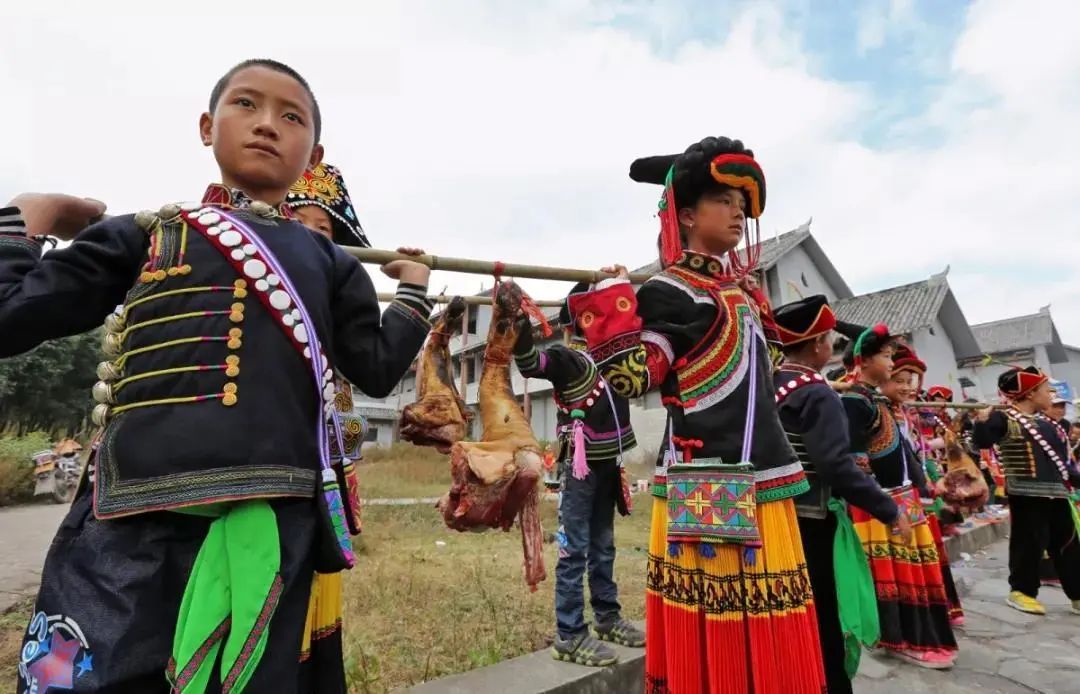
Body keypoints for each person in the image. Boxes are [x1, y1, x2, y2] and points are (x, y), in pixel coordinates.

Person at [2, 59, 435, 692]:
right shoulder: (146, 234)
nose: (267, 125)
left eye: (291, 117)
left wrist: (414, 295)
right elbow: (12, 316)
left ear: (311, 151)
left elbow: (375, 367)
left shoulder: (329, 262)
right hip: (132, 516)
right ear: (208, 127)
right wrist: (27, 216)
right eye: (246, 105)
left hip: (273, 515)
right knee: (89, 679)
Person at [569, 137, 826, 693]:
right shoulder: (669, 290)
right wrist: (611, 305)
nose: (737, 210)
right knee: (717, 636)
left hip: (767, 481)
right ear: (686, 215)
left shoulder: (742, 293)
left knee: (770, 628)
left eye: (741, 200)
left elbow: (769, 370)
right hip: (707, 486)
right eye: (721, 199)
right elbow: (639, 377)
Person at [772, 295, 906, 694]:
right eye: (829, 337)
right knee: (825, 615)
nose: (833, 344)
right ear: (817, 345)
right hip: (814, 520)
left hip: (777, 516)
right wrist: (886, 508)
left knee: (791, 610)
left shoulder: (772, 384)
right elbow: (834, 464)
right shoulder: (817, 393)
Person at [513, 282, 643, 666]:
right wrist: (521, 324)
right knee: (575, 549)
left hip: (607, 463)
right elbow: (529, 363)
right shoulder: (569, 358)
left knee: (604, 546)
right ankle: (569, 634)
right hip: (580, 466)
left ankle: (607, 617)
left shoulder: (616, 358)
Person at [286, 161, 375, 693]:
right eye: (302, 225)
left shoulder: (335, 307)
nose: (314, 242)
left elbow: (351, 422)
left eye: (325, 233)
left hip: (317, 482)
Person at [840, 326, 958, 669]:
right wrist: (882, 503)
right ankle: (901, 638)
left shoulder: (872, 399)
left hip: (898, 497)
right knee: (894, 576)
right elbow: (855, 462)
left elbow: (901, 453)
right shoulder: (853, 401)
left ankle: (918, 635)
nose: (893, 364)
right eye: (888, 356)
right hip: (878, 503)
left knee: (913, 571)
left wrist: (918, 487)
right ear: (863, 359)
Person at [974, 367, 1080, 615]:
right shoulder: (1004, 419)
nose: (1050, 397)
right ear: (1031, 394)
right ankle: (1021, 592)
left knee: (1069, 545)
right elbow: (982, 442)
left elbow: (1063, 465)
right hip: (1026, 494)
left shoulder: (1051, 425)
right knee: (1029, 544)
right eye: (1046, 391)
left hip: (1057, 493)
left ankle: (1077, 593)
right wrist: (981, 421)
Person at [889, 344, 965, 627]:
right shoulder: (884, 412)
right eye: (900, 381)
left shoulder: (906, 414)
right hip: (896, 494)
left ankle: (942, 607)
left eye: (911, 382)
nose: (908, 388)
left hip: (917, 489)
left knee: (928, 551)